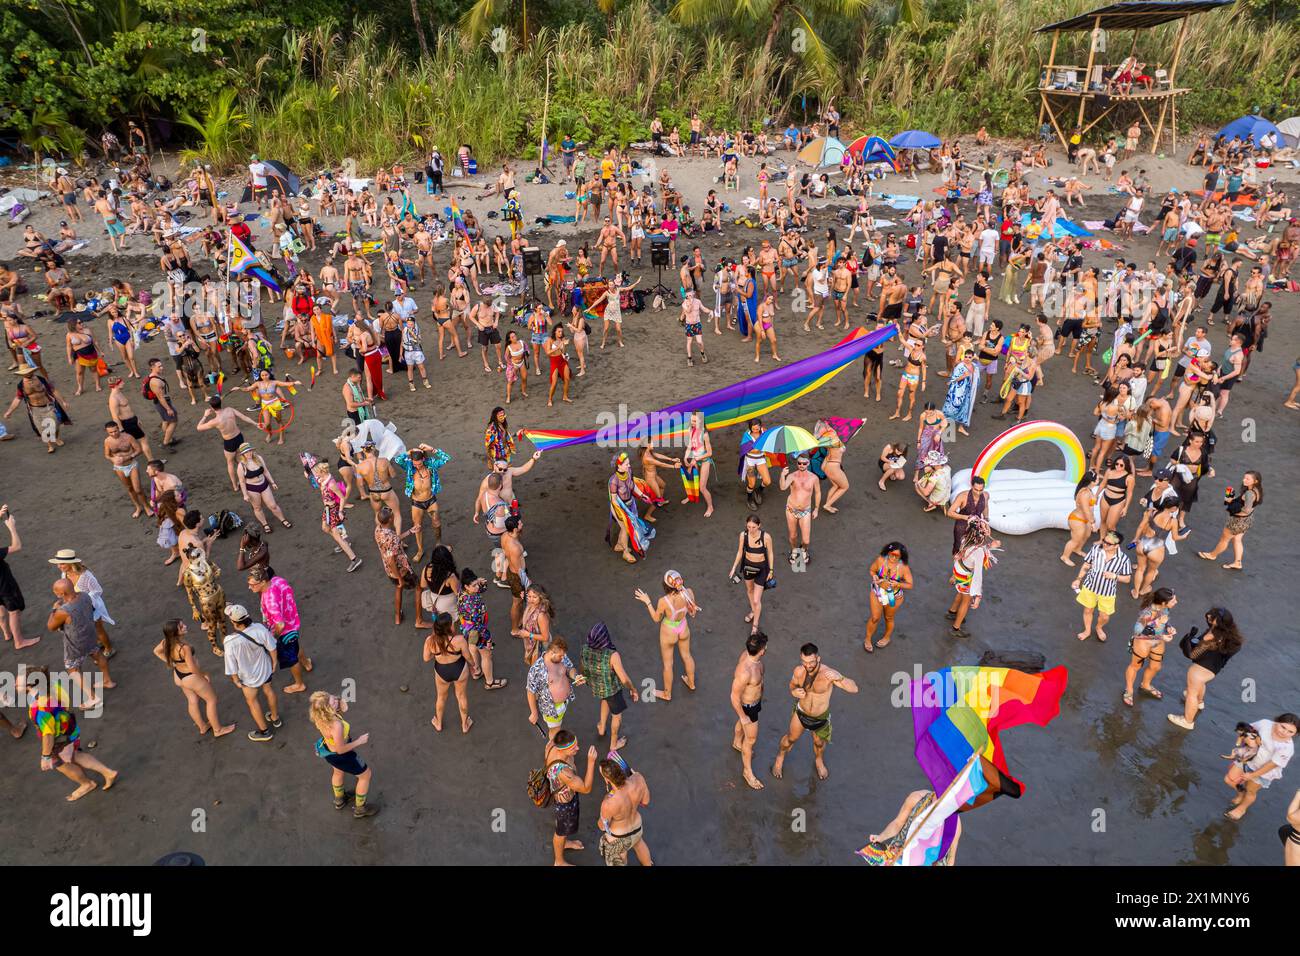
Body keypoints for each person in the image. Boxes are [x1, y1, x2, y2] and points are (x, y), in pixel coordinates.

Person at [24, 668, 118, 801]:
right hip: (70, 728)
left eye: (18, 683)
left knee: (60, 763)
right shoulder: (53, 686)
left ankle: (87, 784)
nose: (15, 685)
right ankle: (108, 773)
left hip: (60, 739)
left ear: (29, 685)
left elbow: (48, 734)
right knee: (75, 755)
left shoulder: (39, 708)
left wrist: (45, 756)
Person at [771, 642, 858, 781]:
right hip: (801, 713)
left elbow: (854, 689)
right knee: (790, 739)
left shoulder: (828, 674)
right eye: (804, 662)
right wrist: (794, 691)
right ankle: (780, 757)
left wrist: (840, 677)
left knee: (819, 743)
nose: (808, 665)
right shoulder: (799, 671)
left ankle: (818, 760)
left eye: (811, 662)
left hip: (820, 718)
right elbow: (792, 685)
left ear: (818, 658)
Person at [152, 619, 236, 737]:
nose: (185, 626)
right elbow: (192, 668)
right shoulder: (184, 647)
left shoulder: (166, 642)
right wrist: (203, 674)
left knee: (192, 701)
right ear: (176, 633)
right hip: (191, 678)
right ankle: (218, 730)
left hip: (179, 676)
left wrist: (172, 663)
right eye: (181, 627)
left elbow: (156, 651)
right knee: (211, 700)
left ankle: (202, 727)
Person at [1168, 607, 1244, 731]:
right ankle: (1200, 702)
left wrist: (1195, 640)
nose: (1208, 617)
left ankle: (1187, 721)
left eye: (1211, 617)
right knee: (1200, 685)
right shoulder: (1231, 636)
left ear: (1217, 622)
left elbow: (1193, 654)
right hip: (1213, 669)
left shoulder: (1210, 635)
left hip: (1199, 670)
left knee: (1191, 694)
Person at [308, 691, 379, 818]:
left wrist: (339, 707)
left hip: (329, 752)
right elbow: (341, 749)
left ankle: (339, 799)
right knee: (365, 775)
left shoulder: (319, 717)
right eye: (333, 701)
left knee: (338, 772)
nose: (336, 699)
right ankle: (360, 809)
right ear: (327, 709)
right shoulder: (336, 725)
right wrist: (359, 741)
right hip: (342, 755)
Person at [46, 579, 114, 707]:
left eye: (56, 592)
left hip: (75, 644)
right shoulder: (84, 595)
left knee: (72, 669)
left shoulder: (63, 610)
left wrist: (54, 609)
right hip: (91, 635)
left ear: (62, 594)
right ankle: (108, 681)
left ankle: (93, 698)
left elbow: (51, 627)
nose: (55, 594)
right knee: (98, 655)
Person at [634, 570, 699, 702]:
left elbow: (656, 618)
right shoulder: (689, 592)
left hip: (668, 632)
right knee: (687, 656)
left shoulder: (663, 601)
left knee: (668, 664)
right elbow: (692, 613)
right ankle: (691, 684)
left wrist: (647, 602)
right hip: (683, 628)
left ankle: (667, 694)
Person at [221, 603, 281, 742]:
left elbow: (231, 665)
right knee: (269, 691)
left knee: (252, 702)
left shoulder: (230, 641)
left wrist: (235, 680)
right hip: (265, 670)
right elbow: (272, 647)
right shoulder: (259, 628)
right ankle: (275, 718)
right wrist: (274, 663)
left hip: (248, 678)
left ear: (233, 622)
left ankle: (264, 732)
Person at [247, 567, 312, 694]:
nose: (250, 587)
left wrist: (274, 636)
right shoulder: (278, 580)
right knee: (295, 646)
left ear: (263, 582)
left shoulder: (270, 602)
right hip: (293, 621)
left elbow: (280, 625)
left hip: (285, 632)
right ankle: (306, 663)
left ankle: (299, 684)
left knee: (291, 659)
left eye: (252, 584)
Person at [860, 789, 961, 866]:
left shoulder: (954, 822)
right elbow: (898, 823)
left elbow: (950, 859)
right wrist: (881, 837)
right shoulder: (917, 798)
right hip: (899, 857)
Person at [1225, 715, 1297, 821]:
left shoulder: (1287, 748)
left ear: (1295, 734)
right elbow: (1247, 730)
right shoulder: (1265, 724)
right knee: (1229, 779)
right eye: (1283, 727)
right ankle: (1241, 793)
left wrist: (1252, 775)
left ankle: (1242, 808)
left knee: (1251, 791)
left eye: (1290, 732)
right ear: (1276, 722)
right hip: (1248, 759)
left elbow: (1272, 764)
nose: (1284, 732)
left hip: (1264, 771)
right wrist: (1246, 741)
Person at [541, 730, 598, 865]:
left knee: (564, 829)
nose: (578, 748)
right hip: (565, 805)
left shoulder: (551, 745)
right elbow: (586, 788)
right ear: (562, 749)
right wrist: (591, 763)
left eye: (576, 744)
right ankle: (559, 862)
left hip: (561, 796)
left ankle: (565, 843)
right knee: (560, 832)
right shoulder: (564, 772)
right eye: (573, 748)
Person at [580, 621, 635, 751]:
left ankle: (602, 727)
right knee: (617, 715)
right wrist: (633, 689)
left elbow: (583, 668)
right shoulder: (612, 655)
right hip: (612, 689)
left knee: (605, 700)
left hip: (597, 686)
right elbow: (624, 679)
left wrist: (586, 679)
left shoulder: (585, 649)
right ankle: (613, 744)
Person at [1072, 530, 1132, 643]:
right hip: (1090, 587)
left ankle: (1099, 627)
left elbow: (1127, 578)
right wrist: (1078, 579)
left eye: (1108, 544)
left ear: (1117, 546)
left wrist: (1114, 576)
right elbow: (1086, 565)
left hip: (1107, 592)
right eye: (1104, 541)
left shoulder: (1123, 559)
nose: (1104, 544)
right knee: (1088, 610)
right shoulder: (1096, 549)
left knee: (1104, 616)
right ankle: (1087, 630)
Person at [1123, 587, 1178, 706]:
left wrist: (1168, 627)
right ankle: (1129, 690)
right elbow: (1138, 631)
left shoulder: (1165, 608)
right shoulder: (1147, 613)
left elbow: (1164, 621)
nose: (1176, 602)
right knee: (1135, 666)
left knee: (1156, 666)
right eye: (1173, 600)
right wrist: (1156, 626)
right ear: (1163, 602)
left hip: (1157, 641)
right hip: (1144, 642)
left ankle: (1146, 685)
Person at [1198, 470, 1262, 570]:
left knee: (1224, 540)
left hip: (1237, 522)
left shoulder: (1249, 493)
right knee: (1237, 539)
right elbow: (1249, 507)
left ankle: (1212, 555)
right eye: (1244, 477)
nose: (1244, 480)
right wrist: (1234, 500)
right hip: (1247, 521)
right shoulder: (1257, 490)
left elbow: (1246, 509)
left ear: (1255, 481)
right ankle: (1238, 562)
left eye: (1247, 479)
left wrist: (1232, 506)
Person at [422, 612, 473, 733]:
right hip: (459, 669)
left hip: (441, 671)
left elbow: (426, 658)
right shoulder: (459, 640)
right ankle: (464, 725)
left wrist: (437, 654)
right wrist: (474, 666)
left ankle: (439, 723)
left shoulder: (430, 641)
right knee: (461, 696)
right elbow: (468, 657)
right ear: (449, 627)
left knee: (441, 697)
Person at [948, 517, 999, 637]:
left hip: (959, 570)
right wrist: (977, 596)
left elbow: (973, 551)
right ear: (982, 536)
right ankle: (956, 628)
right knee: (966, 601)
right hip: (966, 576)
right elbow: (977, 576)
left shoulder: (966, 539)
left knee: (960, 593)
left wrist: (991, 546)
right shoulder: (979, 552)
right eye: (987, 531)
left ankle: (952, 611)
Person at [527, 636, 585, 740]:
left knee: (558, 727)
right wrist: (534, 712)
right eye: (561, 656)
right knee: (555, 731)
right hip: (551, 708)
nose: (563, 658)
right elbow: (530, 691)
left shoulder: (562, 657)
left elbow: (569, 669)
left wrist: (576, 676)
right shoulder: (537, 669)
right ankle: (555, 751)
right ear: (552, 653)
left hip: (563, 703)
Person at [598, 758, 653, 866]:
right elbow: (645, 802)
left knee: (621, 856)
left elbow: (603, 826)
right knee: (639, 844)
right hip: (637, 828)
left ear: (607, 779)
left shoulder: (608, 803)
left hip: (620, 838)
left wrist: (602, 811)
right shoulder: (638, 778)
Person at [728, 515, 774, 633]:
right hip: (748, 568)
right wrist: (734, 567)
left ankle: (755, 624)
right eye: (748, 526)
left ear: (759, 525)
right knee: (749, 591)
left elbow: (770, 554)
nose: (751, 529)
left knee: (756, 599)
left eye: (754, 527)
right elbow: (739, 552)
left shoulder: (766, 537)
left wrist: (771, 570)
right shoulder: (743, 535)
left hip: (762, 570)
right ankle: (754, 611)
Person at [865, 542, 913, 653]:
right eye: (891, 554)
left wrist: (898, 584)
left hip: (894, 596)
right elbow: (872, 570)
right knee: (875, 618)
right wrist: (874, 575)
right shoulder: (880, 560)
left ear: (901, 557)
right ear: (888, 552)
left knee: (889, 618)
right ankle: (867, 639)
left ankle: (887, 637)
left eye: (897, 556)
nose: (893, 557)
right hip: (877, 592)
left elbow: (910, 585)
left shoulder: (904, 568)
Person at [235, 443, 292, 532]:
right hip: (252, 489)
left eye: (250, 451)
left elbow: (265, 471)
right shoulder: (241, 466)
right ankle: (265, 524)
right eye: (246, 452)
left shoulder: (258, 458)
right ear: (242, 454)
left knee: (273, 505)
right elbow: (242, 481)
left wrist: (272, 482)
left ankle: (283, 519)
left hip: (264, 485)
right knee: (257, 508)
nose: (249, 454)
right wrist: (245, 494)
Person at [780, 454, 820, 568]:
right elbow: (783, 487)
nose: (801, 465)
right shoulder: (792, 476)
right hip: (791, 509)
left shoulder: (814, 478)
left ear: (808, 463)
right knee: (793, 536)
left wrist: (816, 508)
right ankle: (793, 550)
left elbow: (818, 492)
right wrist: (782, 475)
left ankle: (803, 550)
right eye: (799, 463)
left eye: (804, 463)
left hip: (805, 511)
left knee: (806, 540)